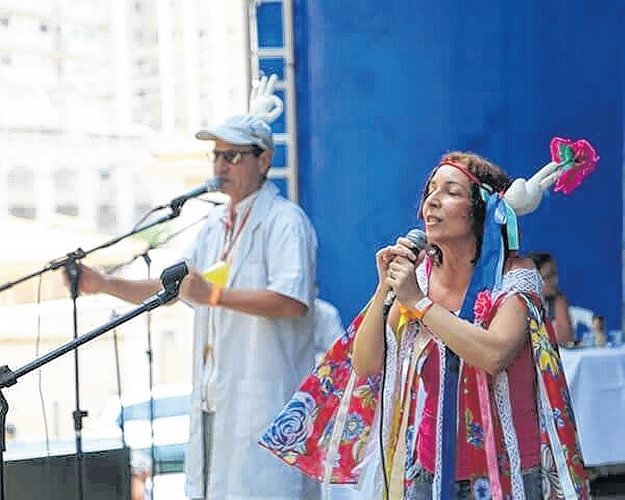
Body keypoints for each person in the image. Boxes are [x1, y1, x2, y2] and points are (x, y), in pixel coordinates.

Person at [260, 152, 589, 499]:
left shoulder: (515, 277)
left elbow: (494, 354)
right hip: (428, 474)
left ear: (485, 210)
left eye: (451, 191)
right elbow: (367, 364)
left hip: (509, 476)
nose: (432, 200)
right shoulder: (420, 278)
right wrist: (384, 287)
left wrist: (419, 302)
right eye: (431, 190)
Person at [63, 76, 320, 500]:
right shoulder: (214, 226)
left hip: (265, 397)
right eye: (216, 155)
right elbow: (176, 288)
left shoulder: (285, 222)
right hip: (215, 400)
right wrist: (104, 283)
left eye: (233, 156)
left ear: (264, 160)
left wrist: (214, 296)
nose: (221, 167)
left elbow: (292, 302)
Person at [528, 252, 574, 346]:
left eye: (555, 275)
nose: (555, 281)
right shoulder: (519, 304)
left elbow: (566, 338)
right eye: (549, 276)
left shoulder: (558, 300)